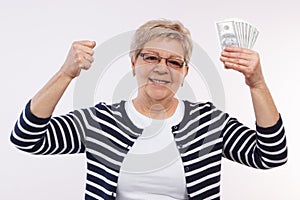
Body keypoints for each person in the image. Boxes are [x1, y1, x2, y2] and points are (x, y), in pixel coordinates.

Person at [10, 19, 287, 200]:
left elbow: (271, 155)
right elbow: (27, 138)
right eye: (151, 57)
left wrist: (257, 83)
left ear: (185, 72)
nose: (161, 68)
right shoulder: (100, 121)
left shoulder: (209, 122)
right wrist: (66, 73)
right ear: (133, 64)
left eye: (174, 62)